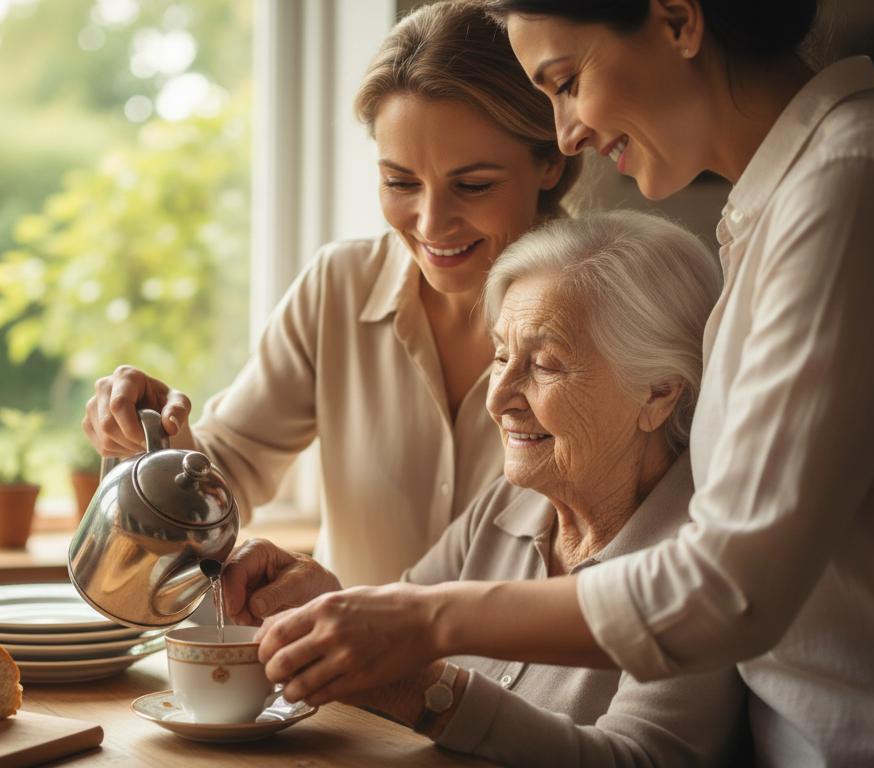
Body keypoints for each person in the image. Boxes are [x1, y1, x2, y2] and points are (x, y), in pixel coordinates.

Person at [255, 1, 874, 765]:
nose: (565, 135)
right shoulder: (789, 206)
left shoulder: (854, 188)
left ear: (677, 20)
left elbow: (729, 589)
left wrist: (428, 622)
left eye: (566, 81)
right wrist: (347, 611)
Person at [83, 0, 578, 587]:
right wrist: (154, 434)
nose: (431, 222)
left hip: (528, 655)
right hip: (344, 652)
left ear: (550, 161)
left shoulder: (609, 311)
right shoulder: (339, 287)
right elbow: (230, 466)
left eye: (472, 185)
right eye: (400, 182)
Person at [226, 211, 741, 766]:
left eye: (545, 365)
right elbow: (396, 637)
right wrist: (320, 607)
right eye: (500, 356)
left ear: (659, 393)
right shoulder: (511, 503)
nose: (498, 398)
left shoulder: (710, 561)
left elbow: (642, 759)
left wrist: (422, 694)